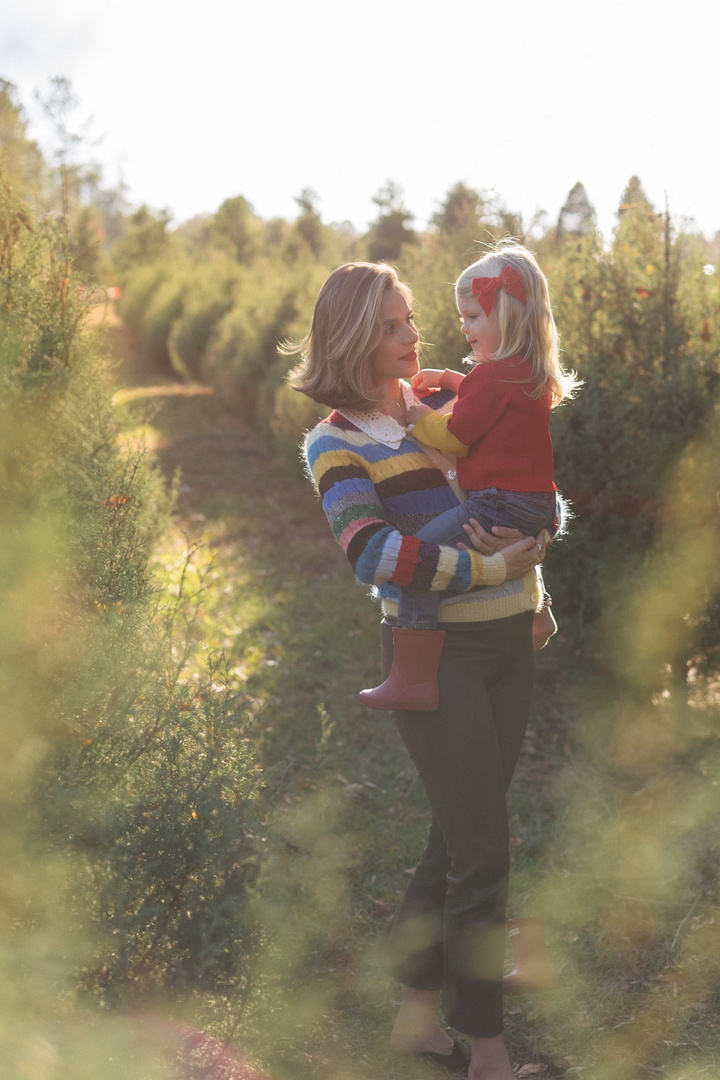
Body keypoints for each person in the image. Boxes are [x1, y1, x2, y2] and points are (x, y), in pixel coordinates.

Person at [288, 260, 549, 1080]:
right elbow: (374, 555)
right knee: (483, 852)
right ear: (360, 335)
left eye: (412, 321)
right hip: (441, 660)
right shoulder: (333, 442)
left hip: (511, 645)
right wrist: (489, 574)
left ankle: (413, 1022)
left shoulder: (446, 402)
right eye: (397, 324)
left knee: (455, 839)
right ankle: (490, 1054)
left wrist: (535, 586)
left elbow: (512, 490)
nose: (414, 334)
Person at [360, 243, 579, 711]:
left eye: (473, 317)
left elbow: (456, 436)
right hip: (537, 502)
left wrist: (418, 415)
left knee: (418, 565)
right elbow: (487, 394)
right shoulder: (528, 374)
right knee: (509, 536)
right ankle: (539, 614)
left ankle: (413, 677)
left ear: (509, 318)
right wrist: (451, 379)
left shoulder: (490, 379)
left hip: (495, 502)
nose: (463, 327)